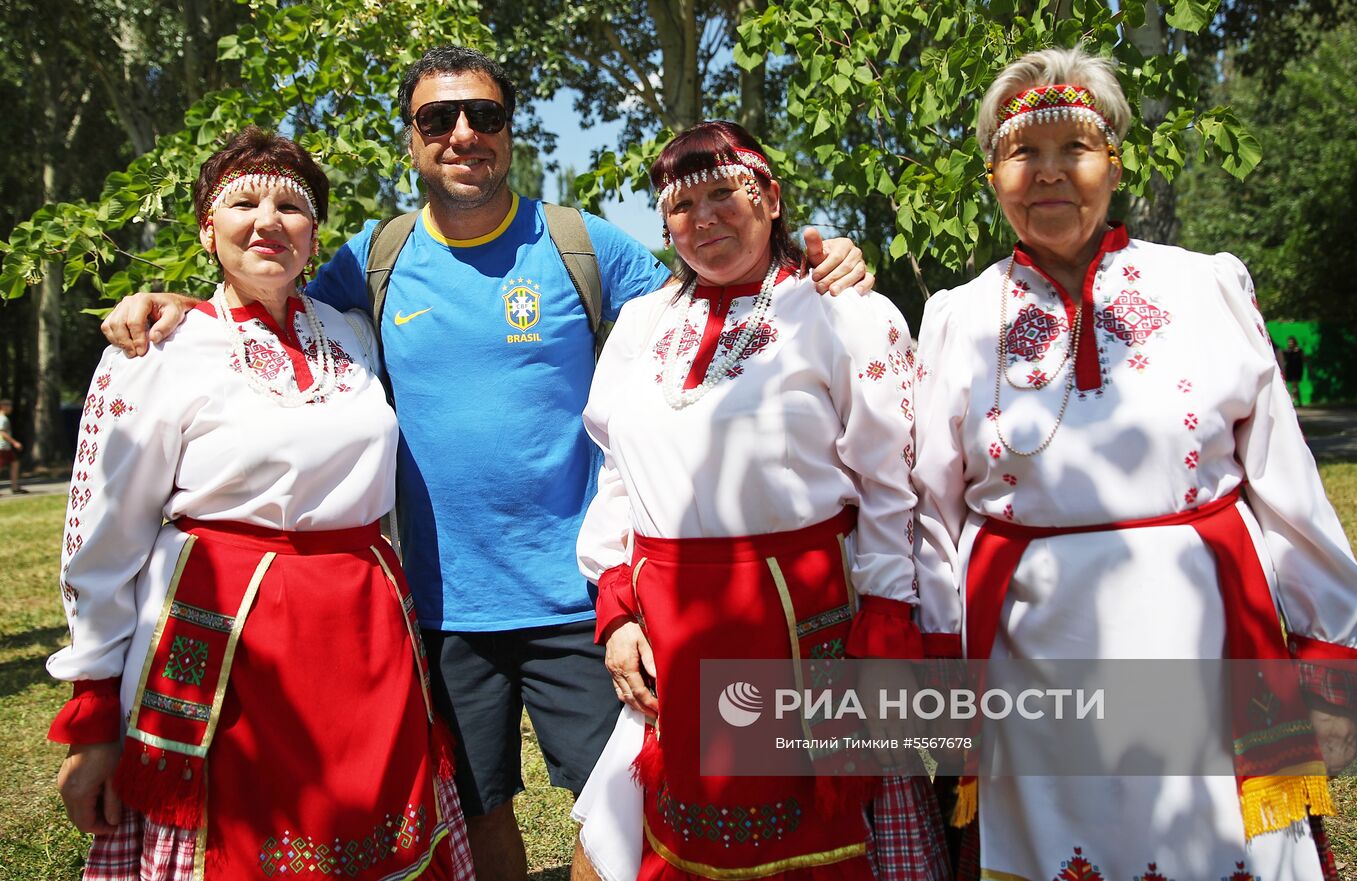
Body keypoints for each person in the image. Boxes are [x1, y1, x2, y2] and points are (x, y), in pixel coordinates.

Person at [98, 47, 875, 881]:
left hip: (580, 602)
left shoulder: (582, 242)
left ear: (510, 131)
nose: (463, 133)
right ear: (412, 139)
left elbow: (710, 283)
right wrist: (179, 303)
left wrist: (820, 263)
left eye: (485, 116)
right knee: (477, 805)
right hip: (437, 605)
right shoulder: (373, 256)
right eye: (439, 118)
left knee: (618, 796)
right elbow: (268, 296)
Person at [910, 46, 1357, 881]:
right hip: (1034, 663)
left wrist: (1332, 660)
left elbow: (1283, 478)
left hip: (1207, 644)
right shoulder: (957, 318)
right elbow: (932, 515)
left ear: (1115, 164)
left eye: (1075, 150)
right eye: (1024, 152)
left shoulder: (1205, 287)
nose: (1050, 173)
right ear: (993, 173)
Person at [47, 127, 473, 879]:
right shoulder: (158, 352)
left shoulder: (351, 335)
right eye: (242, 203)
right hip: (230, 645)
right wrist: (92, 709)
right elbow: (102, 535)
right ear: (208, 230)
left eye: (291, 206)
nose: (267, 220)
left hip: (364, 634)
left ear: (316, 235)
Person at [573, 120, 947, 881]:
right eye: (682, 205)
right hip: (670, 631)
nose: (704, 219)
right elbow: (619, 473)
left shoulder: (843, 314)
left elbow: (892, 483)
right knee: (651, 836)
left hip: (800, 626)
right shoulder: (644, 325)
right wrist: (614, 608)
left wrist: (885, 615)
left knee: (815, 842)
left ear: (771, 199)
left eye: (724, 194)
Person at [0, 399, 25, 494]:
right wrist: (14, 442)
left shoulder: (4, 418)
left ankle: (15, 487)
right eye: (9, 406)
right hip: (2, 446)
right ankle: (14, 486)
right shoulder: (2, 418)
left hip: (6, 447)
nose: (11, 408)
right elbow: (2, 432)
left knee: (15, 463)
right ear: (3, 406)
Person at [1284, 335, 1306, 405]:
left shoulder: (1299, 351)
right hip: (1290, 370)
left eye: (1291, 342)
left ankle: (1292, 400)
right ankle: (1299, 402)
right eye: (1289, 342)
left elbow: (1303, 359)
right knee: (1295, 386)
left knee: (1295, 385)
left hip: (1297, 370)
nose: (1290, 343)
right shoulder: (1287, 352)